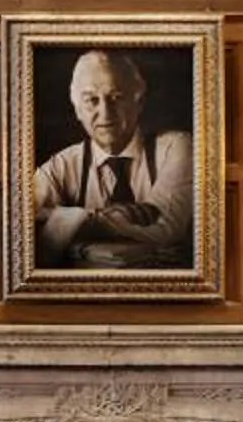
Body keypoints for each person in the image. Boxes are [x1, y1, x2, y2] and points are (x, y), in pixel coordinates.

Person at [33, 49, 194, 269]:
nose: (106, 113)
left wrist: (66, 222)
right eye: (92, 100)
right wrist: (109, 216)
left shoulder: (177, 147)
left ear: (139, 103)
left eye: (116, 98)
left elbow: (165, 229)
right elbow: (24, 226)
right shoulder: (61, 165)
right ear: (78, 110)